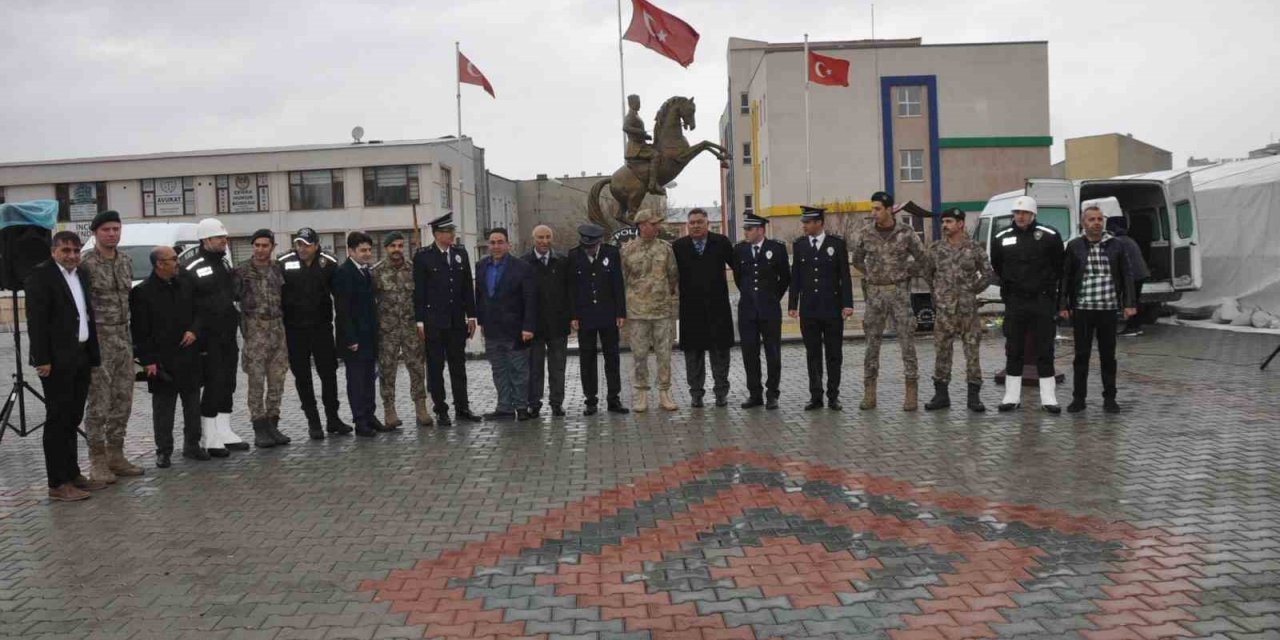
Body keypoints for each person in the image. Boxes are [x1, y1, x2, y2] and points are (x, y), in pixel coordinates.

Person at [25, 232, 104, 501]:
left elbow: (86, 314)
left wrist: (92, 353)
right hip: (56, 361)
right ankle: (57, 483)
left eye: (75, 250)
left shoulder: (80, 274)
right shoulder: (40, 276)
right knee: (57, 420)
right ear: (53, 251)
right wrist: (42, 359)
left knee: (73, 417)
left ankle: (72, 473)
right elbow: (36, 321)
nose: (71, 255)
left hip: (80, 356)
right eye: (65, 250)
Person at [80, 210, 143, 483]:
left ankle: (116, 454)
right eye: (106, 229)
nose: (112, 234)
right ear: (95, 233)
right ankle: (97, 460)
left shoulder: (125, 262)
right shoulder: (86, 265)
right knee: (99, 403)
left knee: (123, 400)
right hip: (99, 339)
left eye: (116, 229)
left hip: (123, 338)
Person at [130, 246, 207, 467]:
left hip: (189, 355)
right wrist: (147, 360)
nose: (178, 263)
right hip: (161, 360)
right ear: (159, 264)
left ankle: (192, 445)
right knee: (163, 409)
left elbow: (200, 312)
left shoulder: (186, 284)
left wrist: (194, 330)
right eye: (173, 259)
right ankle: (163, 450)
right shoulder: (142, 292)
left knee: (192, 404)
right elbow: (139, 331)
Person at [851, 191, 928, 411]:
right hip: (875, 296)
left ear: (889, 210)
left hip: (899, 295)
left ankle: (911, 393)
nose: (873, 212)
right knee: (871, 345)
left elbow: (923, 259)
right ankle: (869, 393)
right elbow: (857, 259)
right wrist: (872, 274)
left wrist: (905, 271)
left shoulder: (906, 232)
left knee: (907, 342)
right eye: (872, 208)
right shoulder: (866, 233)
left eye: (877, 209)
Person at [989, 196, 1066, 413]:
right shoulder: (1002, 237)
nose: (1020, 217)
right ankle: (1011, 397)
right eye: (1017, 213)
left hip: (1042, 300)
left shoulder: (1050, 236)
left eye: (1024, 213)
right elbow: (998, 265)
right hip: (1015, 301)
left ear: (1033, 214)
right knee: (1014, 348)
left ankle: (1048, 398)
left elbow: (1059, 267)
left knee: (1045, 348)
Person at [1061, 206, 1138, 413]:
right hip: (1083, 309)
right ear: (1083, 223)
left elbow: (1127, 274)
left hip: (1108, 308)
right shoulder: (1074, 246)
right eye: (1091, 219)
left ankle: (1110, 398)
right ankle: (1079, 398)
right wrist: (1063, 305)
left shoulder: (1117, 245)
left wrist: (1129, 303)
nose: (1096, 222)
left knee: (1108, 356)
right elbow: (1066, 277)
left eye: (1099, 219)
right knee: (1081, 355)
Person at [279, 227, 351, 440]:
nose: (302, 248)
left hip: (321, 328)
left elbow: (340, 296)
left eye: (307, 244)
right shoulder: (284, 263)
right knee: (303, 377)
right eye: (299, 244)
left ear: (316, 245)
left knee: (328, 374)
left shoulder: (328, 263)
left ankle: (333, 418)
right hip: (295, 330)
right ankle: (313, 421)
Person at [922, 208, 995, 412]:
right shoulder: (936, 249)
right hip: (944, 311)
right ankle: (941, 395)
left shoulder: (975, 248)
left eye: (949, 221)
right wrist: (938, 292)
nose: (945, 225)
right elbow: (927, 272)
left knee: (972, 352)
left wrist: (972, 290)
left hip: (967, 311)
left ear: (961, 224)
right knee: (942, 352)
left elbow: (988, 273)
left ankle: (974, 398)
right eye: (943, 221)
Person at [186, 218, 248, 454]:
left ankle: (224, 430)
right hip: (208, 337)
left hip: (227, 335)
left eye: (224, 237)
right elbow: (191, 303)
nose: (224, 241)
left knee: (228, 382)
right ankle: (209, 436)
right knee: (213, 383)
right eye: (219, 238)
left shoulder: (223, 264)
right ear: (206, 240)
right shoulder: (192, 267)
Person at [414, 212, 482, 426]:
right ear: (436, 234)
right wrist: (420, 321)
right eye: (446, 232)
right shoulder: (423, 256)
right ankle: (441, 409)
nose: (451, 235)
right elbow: (419, 292)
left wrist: (471, 316)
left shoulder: (461, 253)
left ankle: (462, 407)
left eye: (452, 231)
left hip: (455, 322)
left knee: (458, 366)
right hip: (434, 322)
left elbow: (466, 289)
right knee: (435, 367)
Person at [788, 205, 854, 411]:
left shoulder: (836, 244)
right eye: (803, 222)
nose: (804, 226)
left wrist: (847, 304)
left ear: (819, 223)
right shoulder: (799, 245)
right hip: (809, 310)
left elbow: (845, 276)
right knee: (813, 354)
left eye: (807, 222)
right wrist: (793, 304)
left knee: (834, 354)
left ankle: (833, 396)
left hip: (832, 309)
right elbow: (796, 278)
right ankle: (816, 396)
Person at [672, 208, 735, 408]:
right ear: (687, 225)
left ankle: (721, 393)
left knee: (720, 355)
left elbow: (738, 267)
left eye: (700, 222)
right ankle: (696, 394)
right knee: (693, 356)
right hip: (692, 310)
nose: (696, 226)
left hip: (718, 309)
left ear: (707, 223)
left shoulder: (721, 242)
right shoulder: (678, 246)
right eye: (692, 223)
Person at [234, 229, 291, 448]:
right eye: (256, 245)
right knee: (256, 382)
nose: (260, 249)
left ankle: (273, 425)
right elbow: (233, 298)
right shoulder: (241, 271)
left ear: (272, 247)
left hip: (277, 330)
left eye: (264, 245)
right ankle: (259, 427)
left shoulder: (278, 269)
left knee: (277, 380)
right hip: (255, 331)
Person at [475, 228, 538, 421]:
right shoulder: (481, 266)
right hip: (493, 330)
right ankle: (505, 407)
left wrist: (528, 327)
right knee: (499, 370)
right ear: (488, 245)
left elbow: (530, 299)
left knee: (519, 370)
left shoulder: (522, 267)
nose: (496, 246)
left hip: (516, 329)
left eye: (500, 242)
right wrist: (481, 322)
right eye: (492, 242)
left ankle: (521, 406)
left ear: (508, 244)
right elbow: (480, 296)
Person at [621, 209, 680, 412]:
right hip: (637, 311)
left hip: (661, 310)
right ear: (641, 225)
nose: (657, 227)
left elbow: (673, 276)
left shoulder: (665, 249)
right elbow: (623, 279)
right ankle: (641, 394)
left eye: (657, 224)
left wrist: (666, 297)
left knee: (664, 353)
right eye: (653, 224)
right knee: (639, 355)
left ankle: (664, 392)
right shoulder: (627, 250)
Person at [371, 232, 432, 428]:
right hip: (387, 330)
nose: (397, 250)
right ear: (386, 248)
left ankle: (421, 408)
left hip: (410, 328)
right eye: (392, 246)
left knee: (416, 368)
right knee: (387, 371)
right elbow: (371, 302)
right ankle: (389, 411)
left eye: (399, 246)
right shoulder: (376, 272)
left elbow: (422, 298)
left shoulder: (413, 270)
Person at [568, 223, 629, 416]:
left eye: (592, 245)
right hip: (585, 315)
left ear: (599, 241)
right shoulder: (574, 255)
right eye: (586, 246)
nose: (589, 249)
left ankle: (614, 399)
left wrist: (620, 312)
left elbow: (618, 284)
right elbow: (571, 290)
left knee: (612, 357)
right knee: (587, 359)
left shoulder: (611, 253)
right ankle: (591, 400)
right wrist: (573, 315)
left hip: (608, 313)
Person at [731, 213, 790, 409]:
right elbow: (739, 278)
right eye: (745, 229)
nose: (746, 232)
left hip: (770, 310)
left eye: (749, 229)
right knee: (750, 353)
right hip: (747, 311)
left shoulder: (777, 248)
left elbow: (785, 278)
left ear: (760, 230)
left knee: (772, 353)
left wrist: (772, 297)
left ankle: (772, 393)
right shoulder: (739, 250)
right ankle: (754, 393)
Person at [334, 231, 383, 436]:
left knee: (369, 378)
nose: (367, 253)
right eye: (362, 250)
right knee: (356, 380)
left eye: (369, 250)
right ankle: (360, 420)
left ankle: (370, 415)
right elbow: (343, 309)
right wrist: (350, 338)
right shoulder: (344, 272)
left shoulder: (365, 271)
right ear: (351, 251)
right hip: (355, 338)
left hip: (369, 335)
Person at [524, 225, 572, 418]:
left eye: (548, 237)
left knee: (557, 368)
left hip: (557, 325)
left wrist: (570, 317)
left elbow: (570, 292)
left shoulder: (562, 261)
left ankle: (556, 403)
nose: (544, 241)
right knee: (534, 368)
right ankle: (533, 403)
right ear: (533, 239)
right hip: (534, 326)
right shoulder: (524, 263)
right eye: (540, 238)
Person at [1107, 216, 1151, 337]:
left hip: (1134, 275)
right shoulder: (1127, 239)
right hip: (1139, 273)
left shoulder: (1118, 241)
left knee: (1131, 300)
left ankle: (1133, 327)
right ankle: (1135, 326)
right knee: (1134, 300)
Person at [624, 94, 664, 195]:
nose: (639, 105)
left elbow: (638, 133)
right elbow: (626, 127)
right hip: (635, 147)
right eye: (637, 103)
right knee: (656, 155)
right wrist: (641, 132)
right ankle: (652, 184)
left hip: (641, 144)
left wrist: (646, 136)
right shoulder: (630, 115)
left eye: (639, 103)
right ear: (631, 103)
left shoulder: (636, 115)